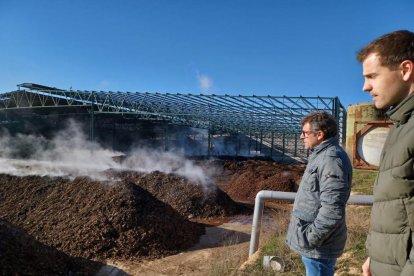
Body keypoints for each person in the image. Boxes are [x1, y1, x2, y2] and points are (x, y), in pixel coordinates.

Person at [357, 30, 414, 276]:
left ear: (405, 70)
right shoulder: (400, 126)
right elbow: (400, 206)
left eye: (372, 76)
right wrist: (376, 256)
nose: (364, 87)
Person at [286, 111, 352, 276]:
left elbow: (332, 209)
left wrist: (311, 238)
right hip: (316, 245)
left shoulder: (331, 159)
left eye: (305, 133)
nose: (302, 137)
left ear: (320, 134)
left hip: (319, 246)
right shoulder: (321, 155)